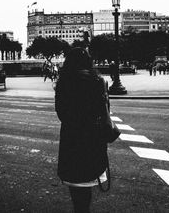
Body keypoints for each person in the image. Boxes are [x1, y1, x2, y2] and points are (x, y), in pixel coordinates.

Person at [55, 47, 111, 213]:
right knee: (88, 179)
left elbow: (61, 113)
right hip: (93, 137)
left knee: (76, 184)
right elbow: (105, 110)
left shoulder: (63, 83)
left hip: (71, 138)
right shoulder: (98, 82)